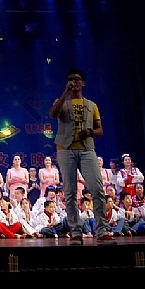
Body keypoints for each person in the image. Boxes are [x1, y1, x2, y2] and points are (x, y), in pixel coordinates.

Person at [49, 67, 112, 244]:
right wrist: (65, 93)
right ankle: (75, 232)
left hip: (87, 149)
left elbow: (100, 130)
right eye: (70, 79)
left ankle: (102, 230)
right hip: (65, 149)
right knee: (69, 192)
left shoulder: (92, 105)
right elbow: (53, 114)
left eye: (77, 79)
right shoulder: (61, 101)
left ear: (83, 83)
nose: (74, 82)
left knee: (97, 189)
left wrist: (90, 132)